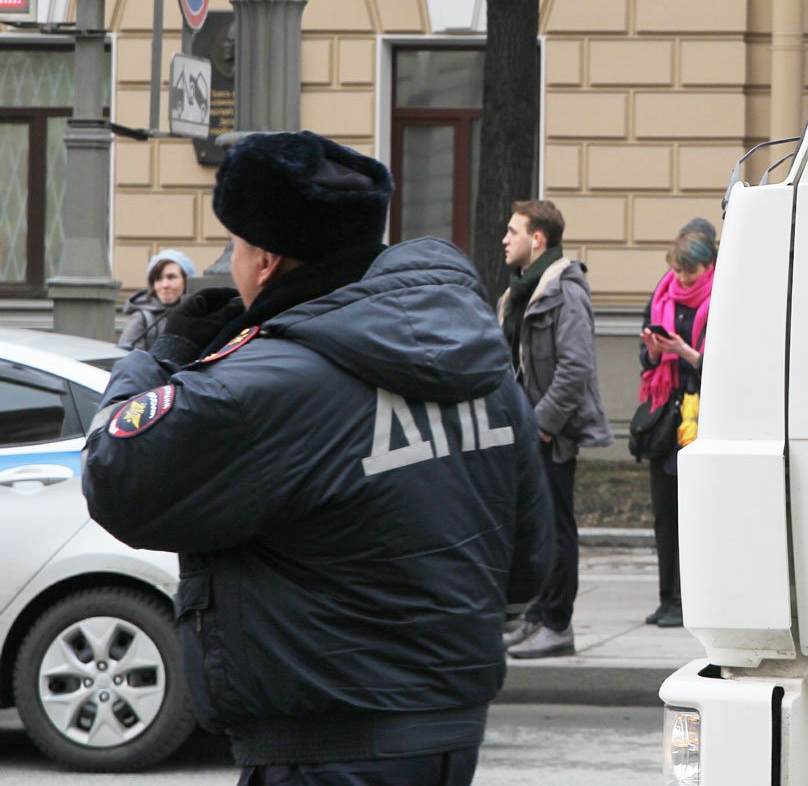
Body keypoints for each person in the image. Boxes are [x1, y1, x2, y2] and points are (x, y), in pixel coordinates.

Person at [80, 131, 554, 786]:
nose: (235, 267)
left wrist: (157, 361)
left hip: (322, 748)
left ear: (267, 260)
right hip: (449, 735)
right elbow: (527, 563)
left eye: (238, 249)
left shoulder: (267, 386)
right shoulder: (484, 368)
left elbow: (115, 476)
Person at [498, 200, 611, 660]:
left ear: (537, 239)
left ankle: (557, 623)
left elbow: (575, 367)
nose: (505, 240)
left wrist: (542, 427)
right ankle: (537, 615)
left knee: (556, 528)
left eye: (513, 231)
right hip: (525, 429)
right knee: (535, 529)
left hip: (549, 433)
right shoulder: (524, 290)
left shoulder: (564, 290)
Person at [635, 228, 714, 628]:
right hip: (666, 416)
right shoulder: (663, 293)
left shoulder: (722, 294)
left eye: (691, 271)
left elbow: (726, 364)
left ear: (708, 265)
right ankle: (667, 598)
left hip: (703, 419)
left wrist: (687, 354)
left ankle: (688, 600)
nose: (683, 279)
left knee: (694, 515)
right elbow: (645, 362)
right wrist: (653, 353)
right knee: (665, 513)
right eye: (679, 270)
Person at [117, 248, 195, 350]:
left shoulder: (196, 316)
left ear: (186, 281)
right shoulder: (142, 319)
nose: (165, 285)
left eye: (171, 277)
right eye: (158, 279)